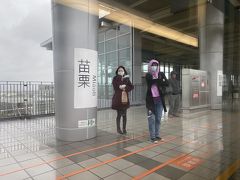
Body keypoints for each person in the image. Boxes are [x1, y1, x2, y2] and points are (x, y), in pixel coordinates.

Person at [146, 60, 168, 143]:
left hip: (159, 100)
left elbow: (167, 83)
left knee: (158, 118)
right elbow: (151, 82)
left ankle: (157, 135)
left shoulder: (161, 74)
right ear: (150, 66)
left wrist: (160, 80)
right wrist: (160, 80)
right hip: (150, 101)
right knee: (151, 119)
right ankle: (152, 137)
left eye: (156, 65)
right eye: (152, 65)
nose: (154, 67)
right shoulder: (148, 75)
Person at [112, 66, 134, 134]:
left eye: (122, 70)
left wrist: (125, 87)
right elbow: (115, 86)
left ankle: (124, 129)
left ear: (124, 71)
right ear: (117, 72)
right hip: (118, 99)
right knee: (119, 114)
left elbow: (131, 86)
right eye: (119, 70)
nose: (120, 71)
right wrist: (120, 82)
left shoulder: (126, 78)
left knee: (124, 115)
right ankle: (118, 129)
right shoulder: (115, 78)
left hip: (125, 99)